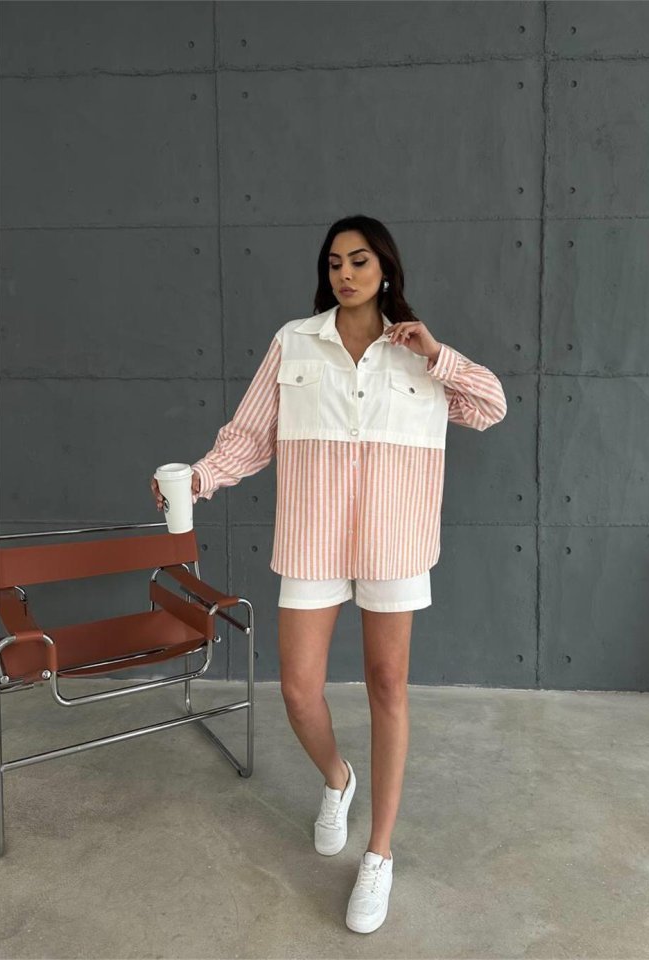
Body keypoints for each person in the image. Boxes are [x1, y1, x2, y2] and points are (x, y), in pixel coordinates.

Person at [150, 214, 507, 934]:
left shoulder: (417, 353)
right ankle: (338, 779)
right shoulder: (294, 341)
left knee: (387, 684)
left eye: (360, 260)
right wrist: (199, 478)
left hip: (395, 542)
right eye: (335, 262)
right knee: (297, 687)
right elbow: (249, 436)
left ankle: (379, 852)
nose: (345, 272)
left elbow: (489, 406)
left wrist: (437, 354)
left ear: (386, 269)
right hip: (313, 537)